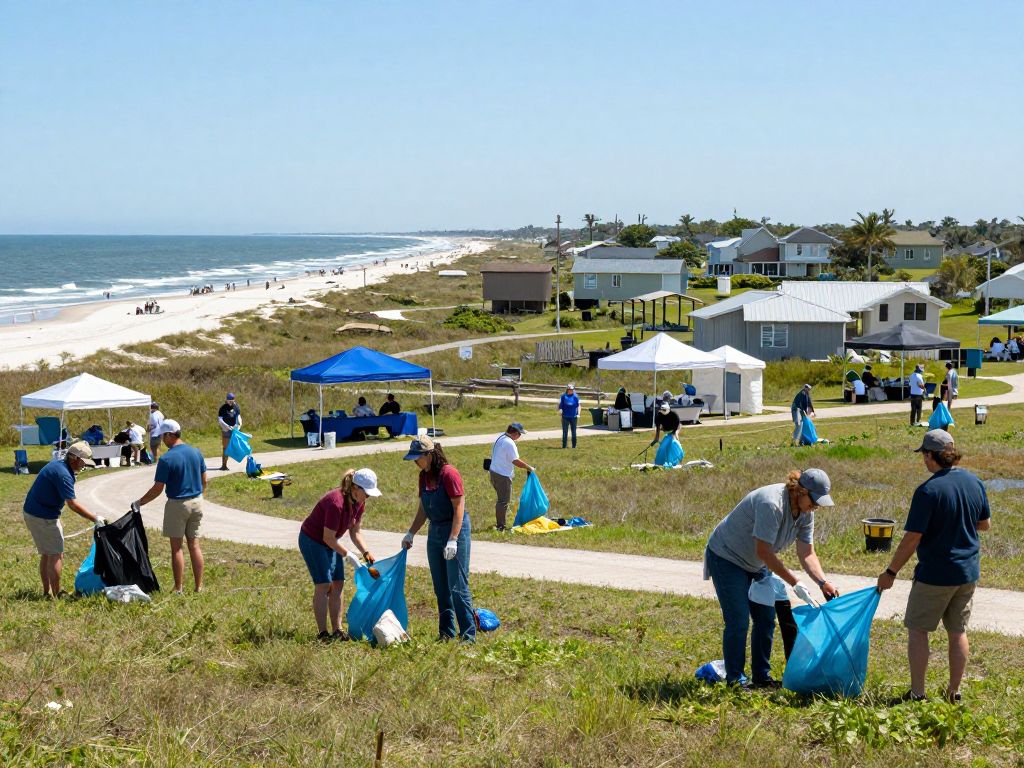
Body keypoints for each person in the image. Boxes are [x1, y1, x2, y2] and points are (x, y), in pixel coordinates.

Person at [876, 430, 991, 703]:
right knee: (958, 632)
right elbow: (984, 525)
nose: (923, 461)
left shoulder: (927, 491)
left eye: (924, 455)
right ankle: (954, 692)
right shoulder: (974, 482)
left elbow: (912, 538)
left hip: (936, 575)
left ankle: (917, 694)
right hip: (967, 573)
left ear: (930, 455)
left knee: (918, 630)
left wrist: (890, 572)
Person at [704, 468, 840, 687]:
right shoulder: (772, 504)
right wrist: (794, 581)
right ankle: (735, 680)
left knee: (766, 619)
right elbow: (764, 552)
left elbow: (807, 552)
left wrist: (823, 582)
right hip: (727, 556)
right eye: (813, 501)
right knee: (738, 620)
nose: (815, 507)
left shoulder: (806, 514)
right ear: (800, 491)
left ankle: (761, 678)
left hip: (757, 564)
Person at [401, 437, 475, 642]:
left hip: (454, 530)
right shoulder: (423, 477)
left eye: (418, 458)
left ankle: (468, 635)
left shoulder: (449, 474)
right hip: (434, 532)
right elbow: (424, 508)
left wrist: (453, 539)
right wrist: (411, 532)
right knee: (440, 587)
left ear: (429, 455)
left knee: (457, 586)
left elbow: (458, 508)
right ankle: (446, 632)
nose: (416, 462)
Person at [298, 468, 381, 641]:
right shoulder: (336, 503)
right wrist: (348, 554)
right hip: (312, 541)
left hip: (330, 541)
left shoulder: (359, 502)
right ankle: (323, 633)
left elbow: (355, 532)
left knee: (338, 583)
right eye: (367, 493)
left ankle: (337, 630)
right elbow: (327, 537)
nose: (368, 497)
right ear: (355, 488)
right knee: (324, 584)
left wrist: (365, 552)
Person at [133, 419, 207, 594]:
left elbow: (158, 489)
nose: (162, 441)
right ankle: (198, 587)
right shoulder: (196, 452)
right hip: (197, 502)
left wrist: (139, 502)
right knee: (194, 546)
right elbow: (204, 481)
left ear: (169, 435)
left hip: (177, 504)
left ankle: (179, 588)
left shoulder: (166, 459)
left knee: (176, 548)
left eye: (162, 437)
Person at [22, 442, 105, 598]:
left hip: (34, 513)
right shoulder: (64, 474)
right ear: (73, 458)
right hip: (43, 517)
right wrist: (95, 518)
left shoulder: (59, 465)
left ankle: (47, 592)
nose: (84, 466)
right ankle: (57, 594)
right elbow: (72, 504)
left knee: (47, 554)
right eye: (83, 462)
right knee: (55, 554)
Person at [488, 423, 534, 531]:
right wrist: (529, 467)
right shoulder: (509, 443)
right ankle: (501, 527)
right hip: (502, 475)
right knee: (503, 501)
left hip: (494, 472)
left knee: (502, 500)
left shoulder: (501, 437)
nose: (520, 437)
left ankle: (500, 524)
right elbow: (515, 461)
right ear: (515, 433)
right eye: (520, 434)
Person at [217, 392, 241, 471]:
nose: (231, 402)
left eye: (232, 401)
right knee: (225, 447)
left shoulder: (236, 407)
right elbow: (220, 420)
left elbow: (238, 417)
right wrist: (226, 426)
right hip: (226, 430)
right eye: (229, 401)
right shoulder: (223, 408)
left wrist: (238, 425)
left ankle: (241, 461)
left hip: (234, 430)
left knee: (235, 446)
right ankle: (224, 465)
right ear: (226, 400)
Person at [558, 383, 581, 449]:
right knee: (565, 432)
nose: (571, 391)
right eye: (570, 389)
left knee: (573, 432)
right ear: (567, 389)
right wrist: (560, 411)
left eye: (572, 389)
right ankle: (564, 446)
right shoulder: (563, 396)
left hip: (573, 417)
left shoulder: (576, 397)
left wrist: (578, 414)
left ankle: (574, 446)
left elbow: (579, 406)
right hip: (565, 417)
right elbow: (560, 406)